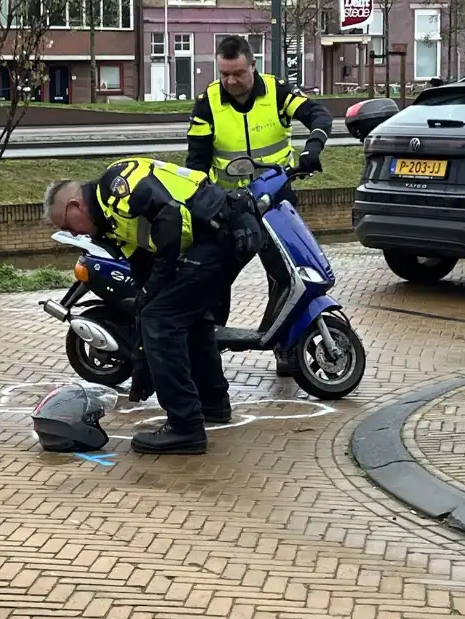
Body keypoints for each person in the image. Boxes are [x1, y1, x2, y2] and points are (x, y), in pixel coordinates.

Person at [42, 157, 264, 455]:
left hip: (223, 232)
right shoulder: (107, 220)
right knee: (187, 317)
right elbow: (141, 259)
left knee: (161, 322)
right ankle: (213, 403)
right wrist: (146, 297)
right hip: (219, 235)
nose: (74, 235)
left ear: (75, 206)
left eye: (67, 226)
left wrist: (154, 295)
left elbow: (170, 217)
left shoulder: (115, 187)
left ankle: (185, 427)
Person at [185, 34, 332, 376]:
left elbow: (317, 114)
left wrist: (314, 147)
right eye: (224, 74)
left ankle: (286, 345)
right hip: (229, 205)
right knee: (215, 277)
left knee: (286, 274)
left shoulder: (276, 90)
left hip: (275, 198)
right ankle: (208, 349)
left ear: (253, 65)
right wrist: (200, 198)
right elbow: (197, 160)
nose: (231, 81)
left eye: (238, 73)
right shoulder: (208, 102)